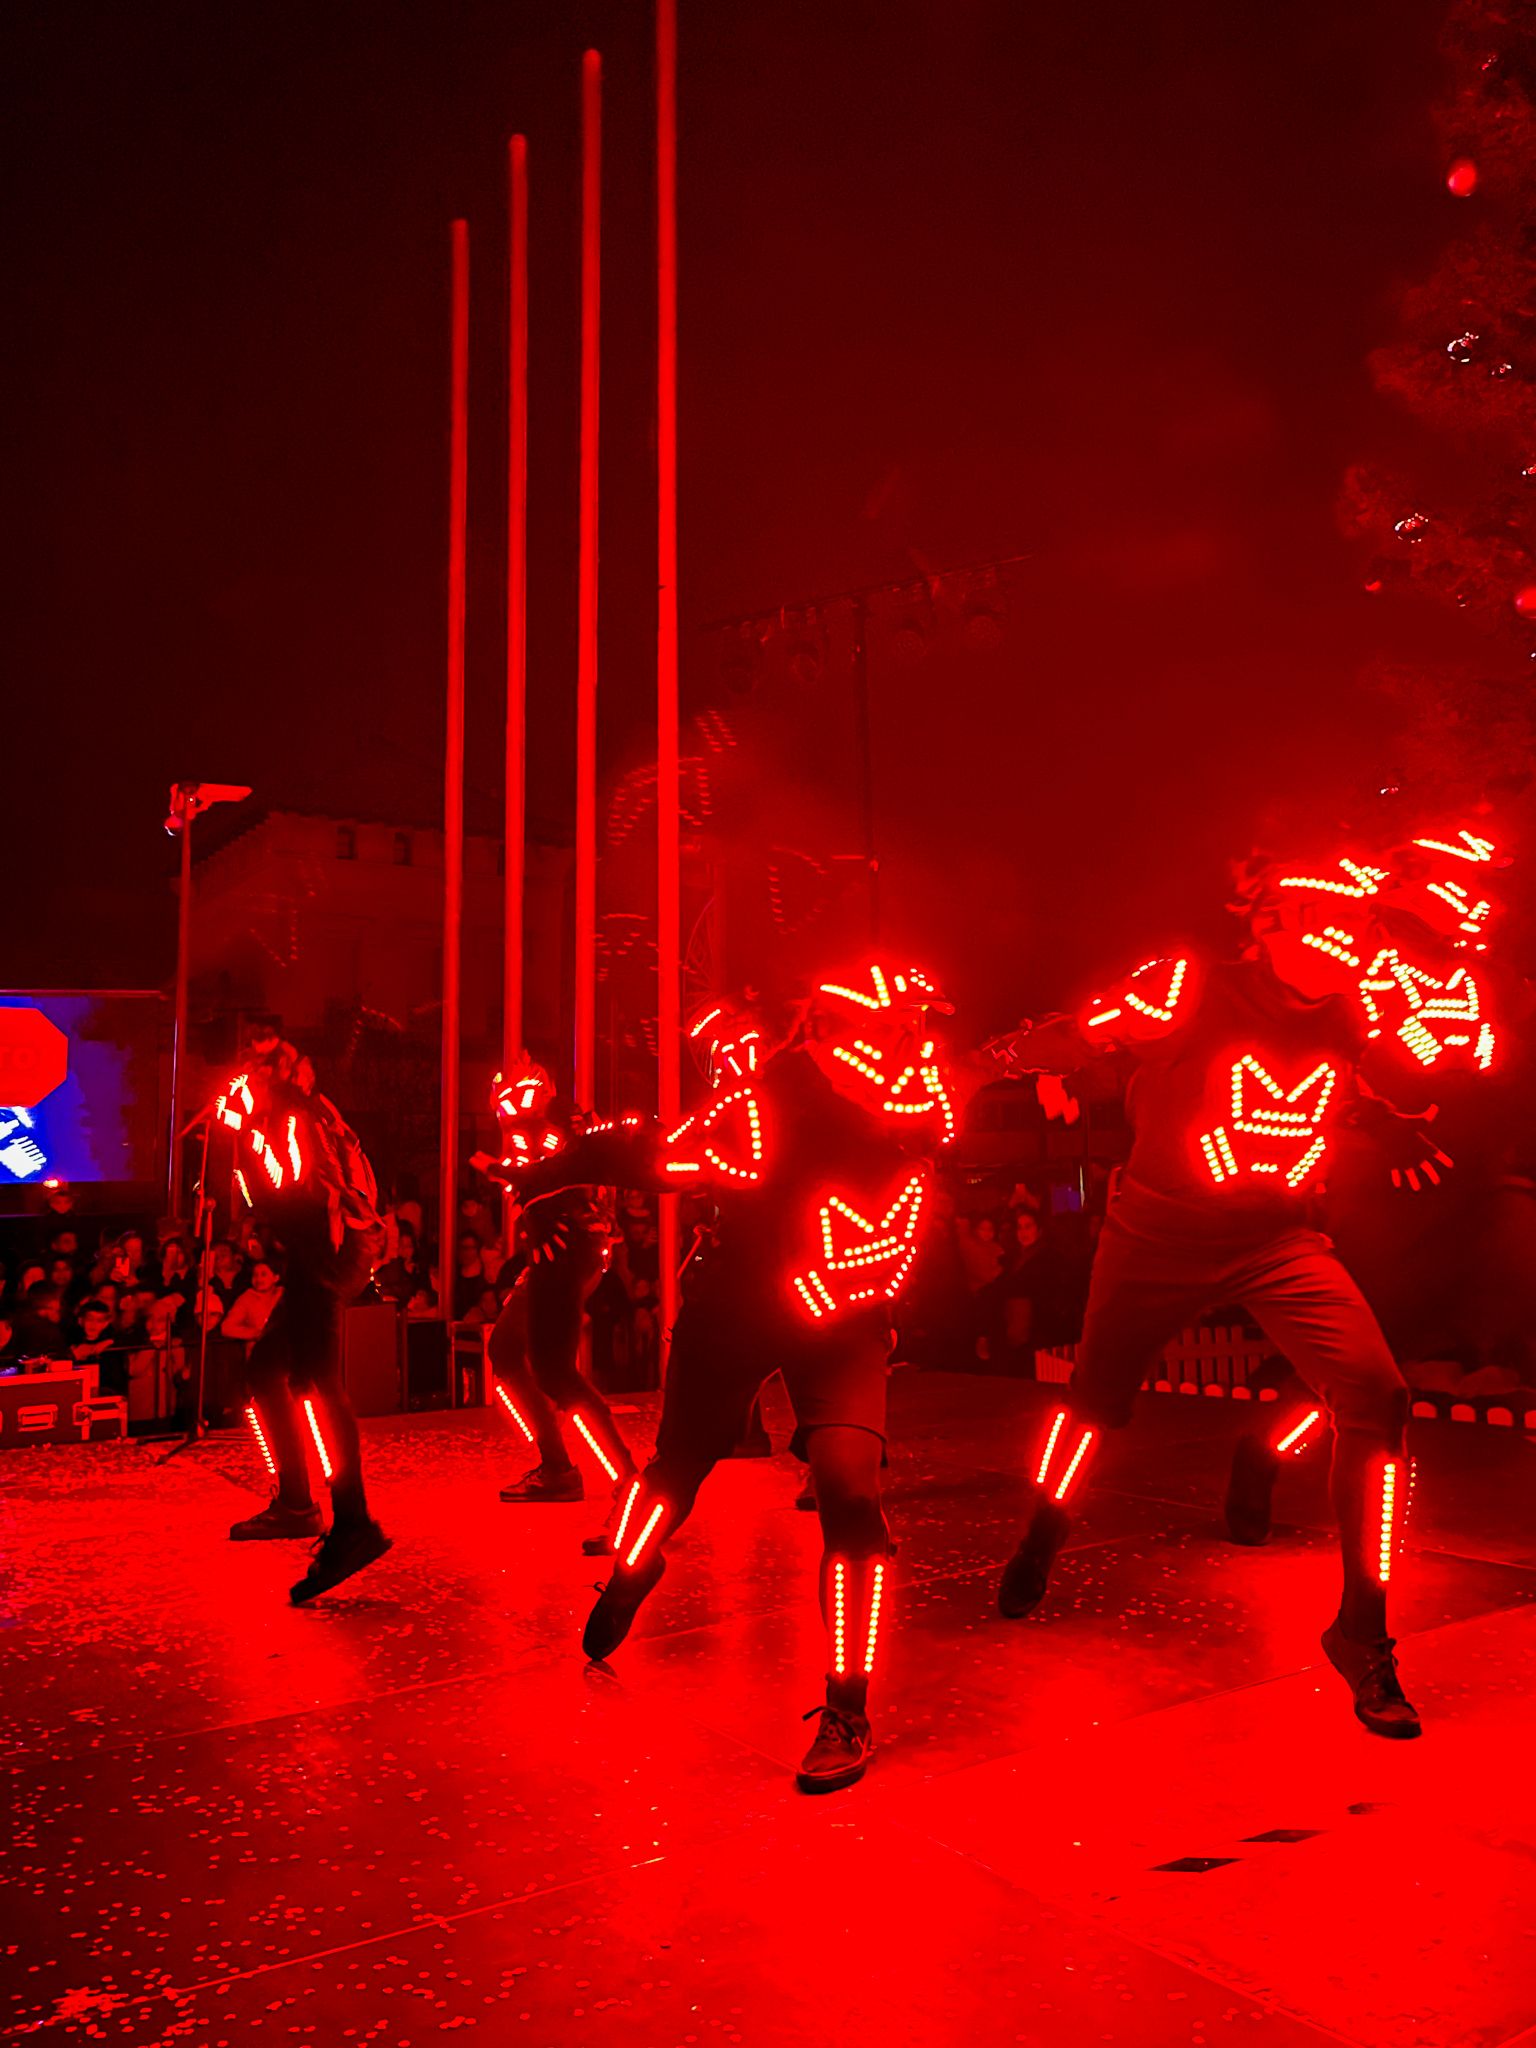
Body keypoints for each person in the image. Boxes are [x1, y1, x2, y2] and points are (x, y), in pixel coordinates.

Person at [986, 835, 1494, 1740]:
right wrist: (1007, 1057)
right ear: (1271, 925)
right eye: (1329, 918)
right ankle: (1042, 1537)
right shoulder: (1188, 986)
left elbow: (1373, 1080)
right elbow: (1087, 1030)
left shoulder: (1354, 1009)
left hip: (1277, 1240)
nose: (1349, 936)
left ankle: (1363, 1630)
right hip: (1153, 1237)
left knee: (1378, 1398)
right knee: (1096, 1406)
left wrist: (1409, 1099)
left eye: (1358, 921)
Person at [504, 966, 957, 1796]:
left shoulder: (917, 1101)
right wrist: (550, 1169)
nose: (905, 1045)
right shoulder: (766, 1098)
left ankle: (848, 1706)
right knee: (674, 1473)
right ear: (827, 1033)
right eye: (889, 1030)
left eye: (910, 1031)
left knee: (855, 1500)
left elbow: (936, 1147)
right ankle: (635, 1567)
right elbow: (656, 1152)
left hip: (843, 1318)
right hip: (736, 1309)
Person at [215, 1038, 391, 1604]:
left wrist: (241, 1139)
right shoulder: (280, 1118)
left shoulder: (294, 1116)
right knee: (267, 1370)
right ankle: (297, 1502)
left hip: (330, 1248)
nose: (243, 1079)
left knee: (319, 1382)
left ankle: (353, 1522)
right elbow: (268, 1196)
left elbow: (301, 1195)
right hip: (325, 1247)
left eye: (254, 1070)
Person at [471, 1060, 635, 1534]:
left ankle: (626, 1482)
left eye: (516, 1094)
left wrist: (501, 1171)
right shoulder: (557, 1129)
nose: (507, 1106)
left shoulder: (547, 1133)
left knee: (555, 1371)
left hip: (565, 1255)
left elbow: (546, 1178)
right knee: (509, 1350)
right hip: (559, 1255)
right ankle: (559, 1467)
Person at [221, 1259, 283, 1342]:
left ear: (276, 1278)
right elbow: (226, 1328)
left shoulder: (283, 1296)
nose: (258, 1279)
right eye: (255, 1275)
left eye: (263, 1274)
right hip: (258, 1350)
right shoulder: (247, 1298)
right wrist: (255, 1333)